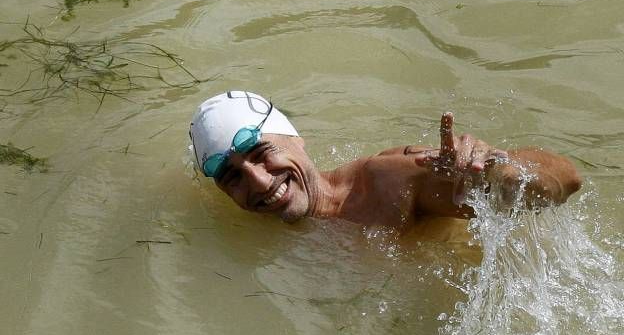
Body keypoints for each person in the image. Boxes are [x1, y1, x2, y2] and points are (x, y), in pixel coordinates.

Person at [189, 91, 581, 231]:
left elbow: (568, 177)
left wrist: (503, 173)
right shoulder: (272, 233)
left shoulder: (386, 180)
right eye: (232, 177)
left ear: (297, 140)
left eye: (262, 154)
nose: (258, 182)